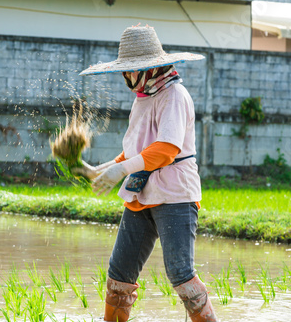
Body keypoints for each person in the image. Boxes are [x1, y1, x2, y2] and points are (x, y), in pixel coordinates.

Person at [76, 25, 218, 322]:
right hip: (143, 192)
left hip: (175, 195)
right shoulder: (144, 97)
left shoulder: (174, 95)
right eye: (125, 71)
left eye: (132, 70)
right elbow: (134, 152)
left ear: (150, 68)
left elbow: (166, 149)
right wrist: (98, 170)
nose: (127, 77)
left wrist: (120, 170)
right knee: (119, 274)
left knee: (180, 273)